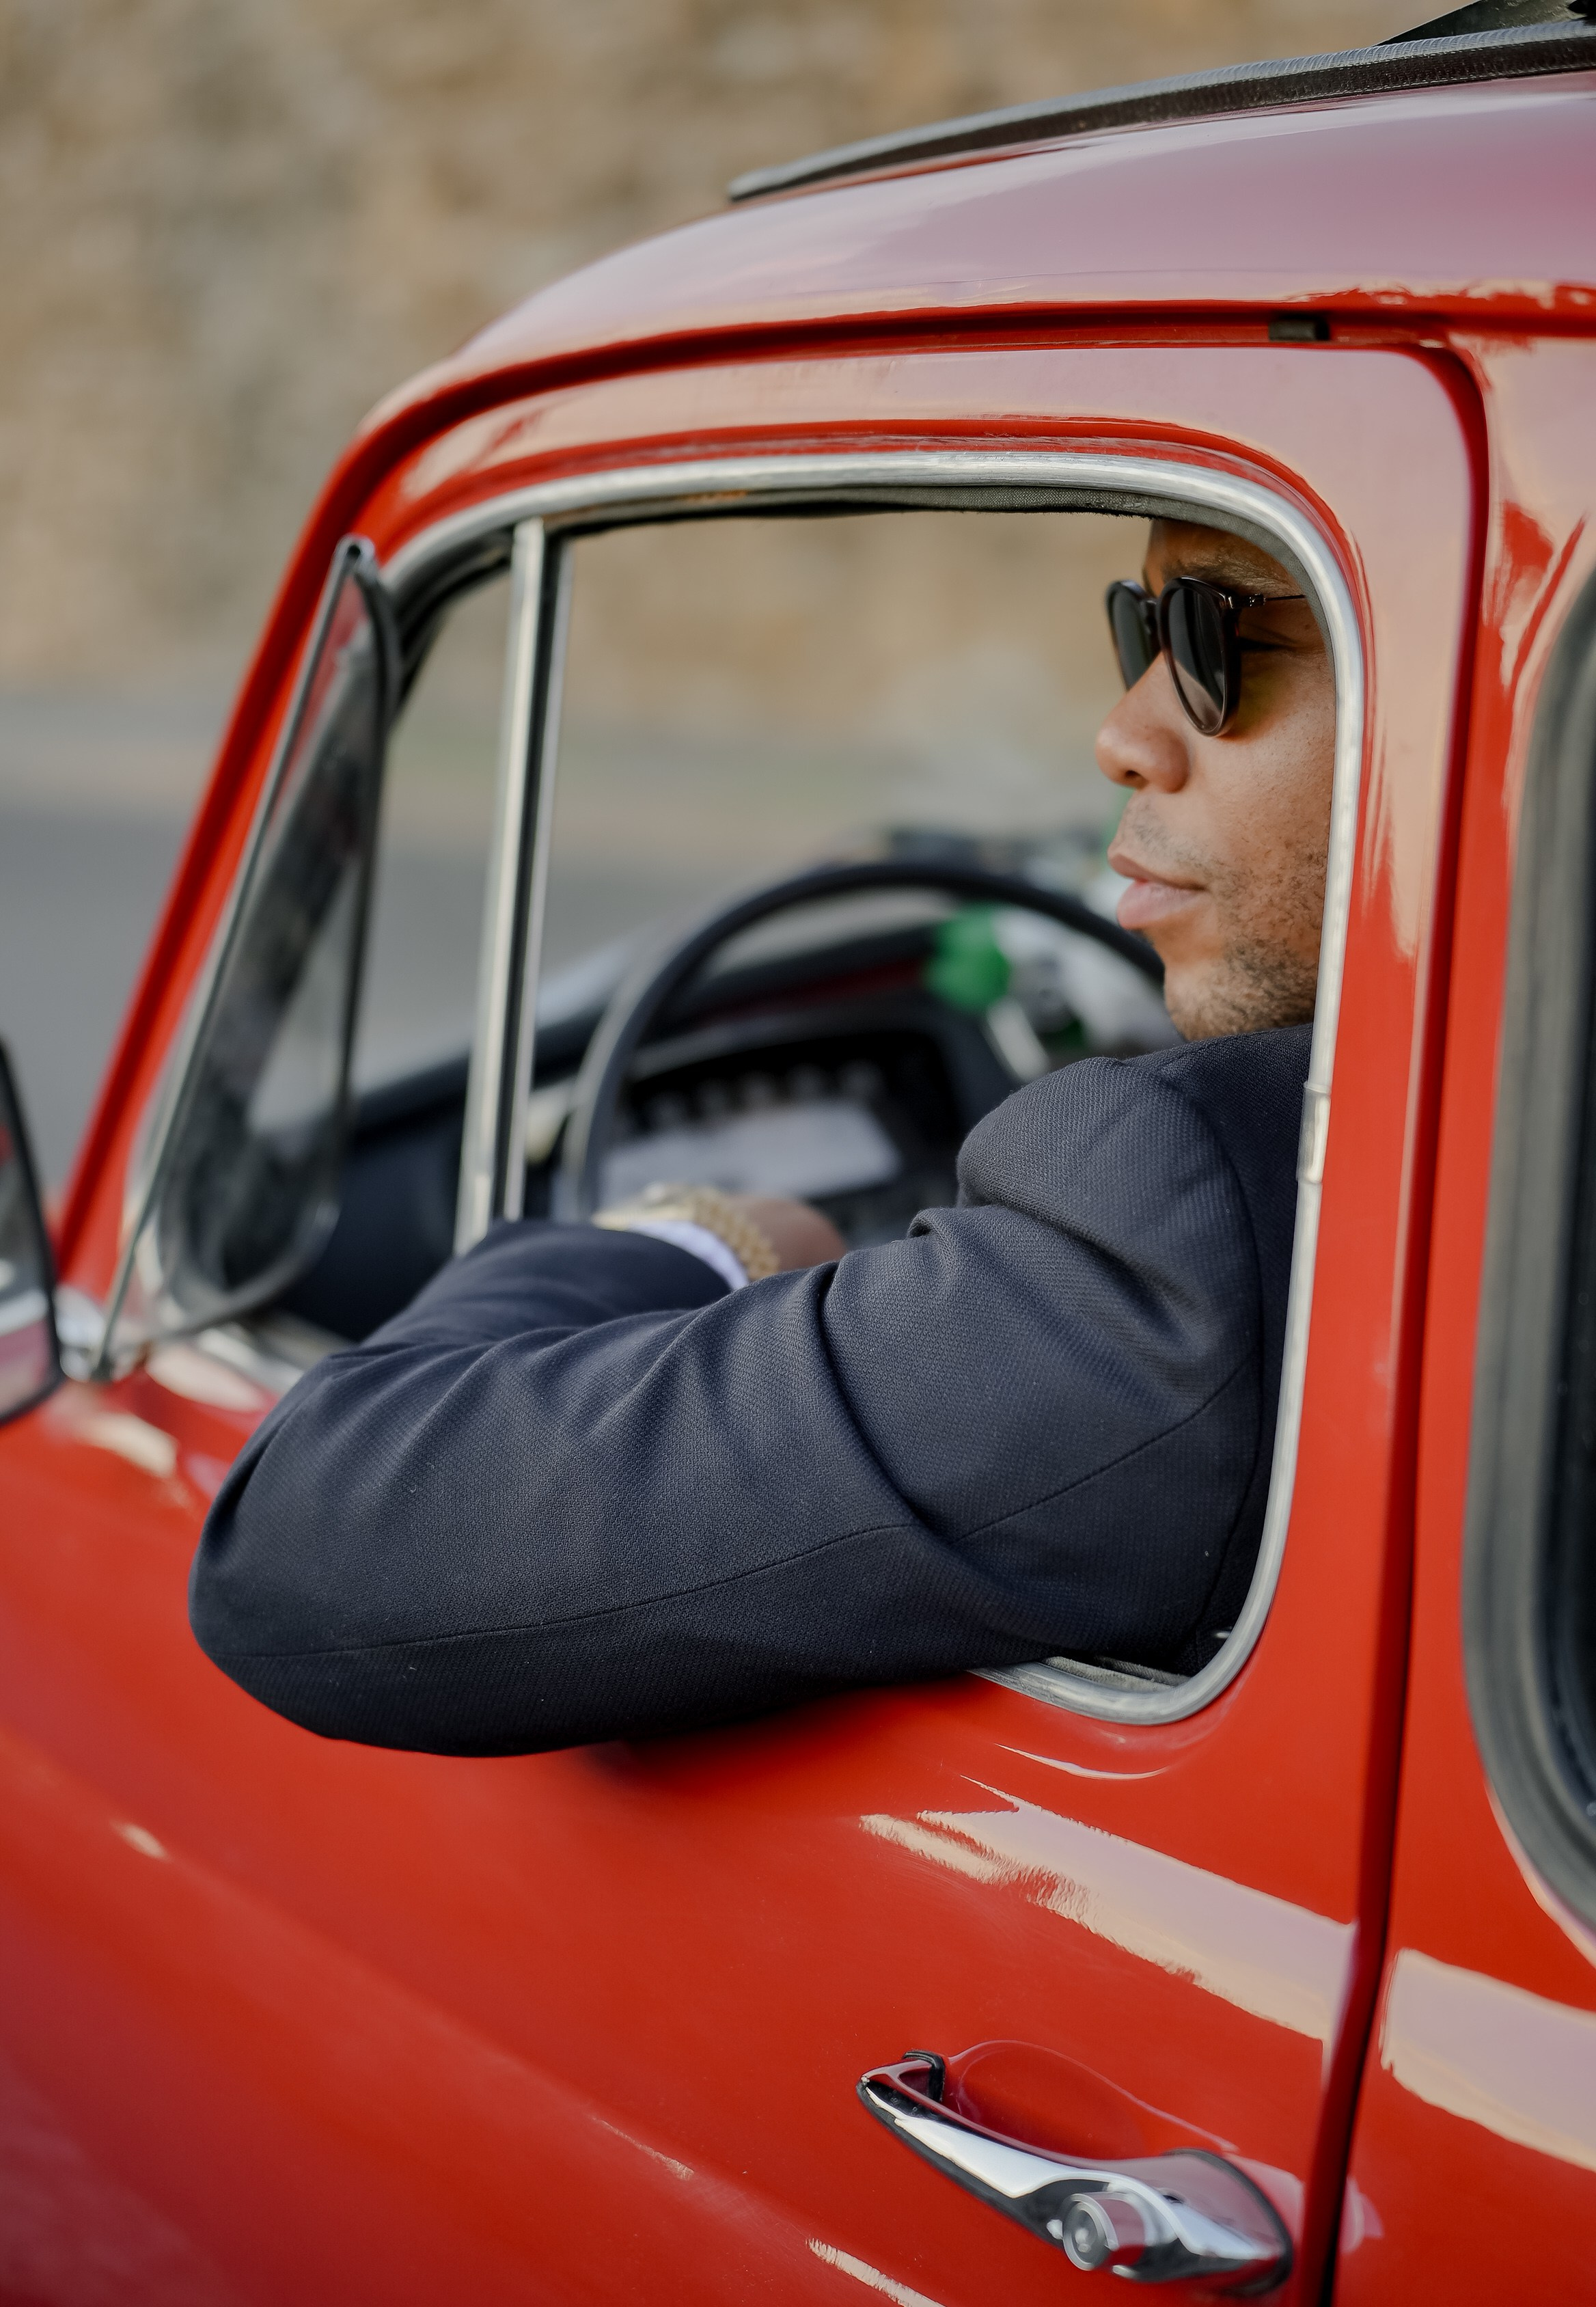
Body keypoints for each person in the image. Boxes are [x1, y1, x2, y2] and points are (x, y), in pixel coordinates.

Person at [189, 517, 1334, 1754]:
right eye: (1143, 628)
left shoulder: (1184, 1226)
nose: (1122, 734)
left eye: (1220, 638)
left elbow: (306, 1539)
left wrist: (704, 1238)